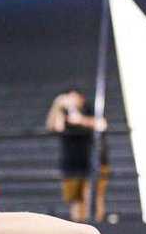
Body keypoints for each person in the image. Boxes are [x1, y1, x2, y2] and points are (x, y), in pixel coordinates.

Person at [46, 88, 108, 222]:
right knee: (75, 200)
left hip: (92, 161)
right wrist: (58, 106)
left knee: (93, 196)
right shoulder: (63, 113)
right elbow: (55, 127)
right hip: (72, 163)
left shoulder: (89, 110)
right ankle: (78, 225)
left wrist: (80, 120)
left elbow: (102, 124)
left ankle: (97, 224)